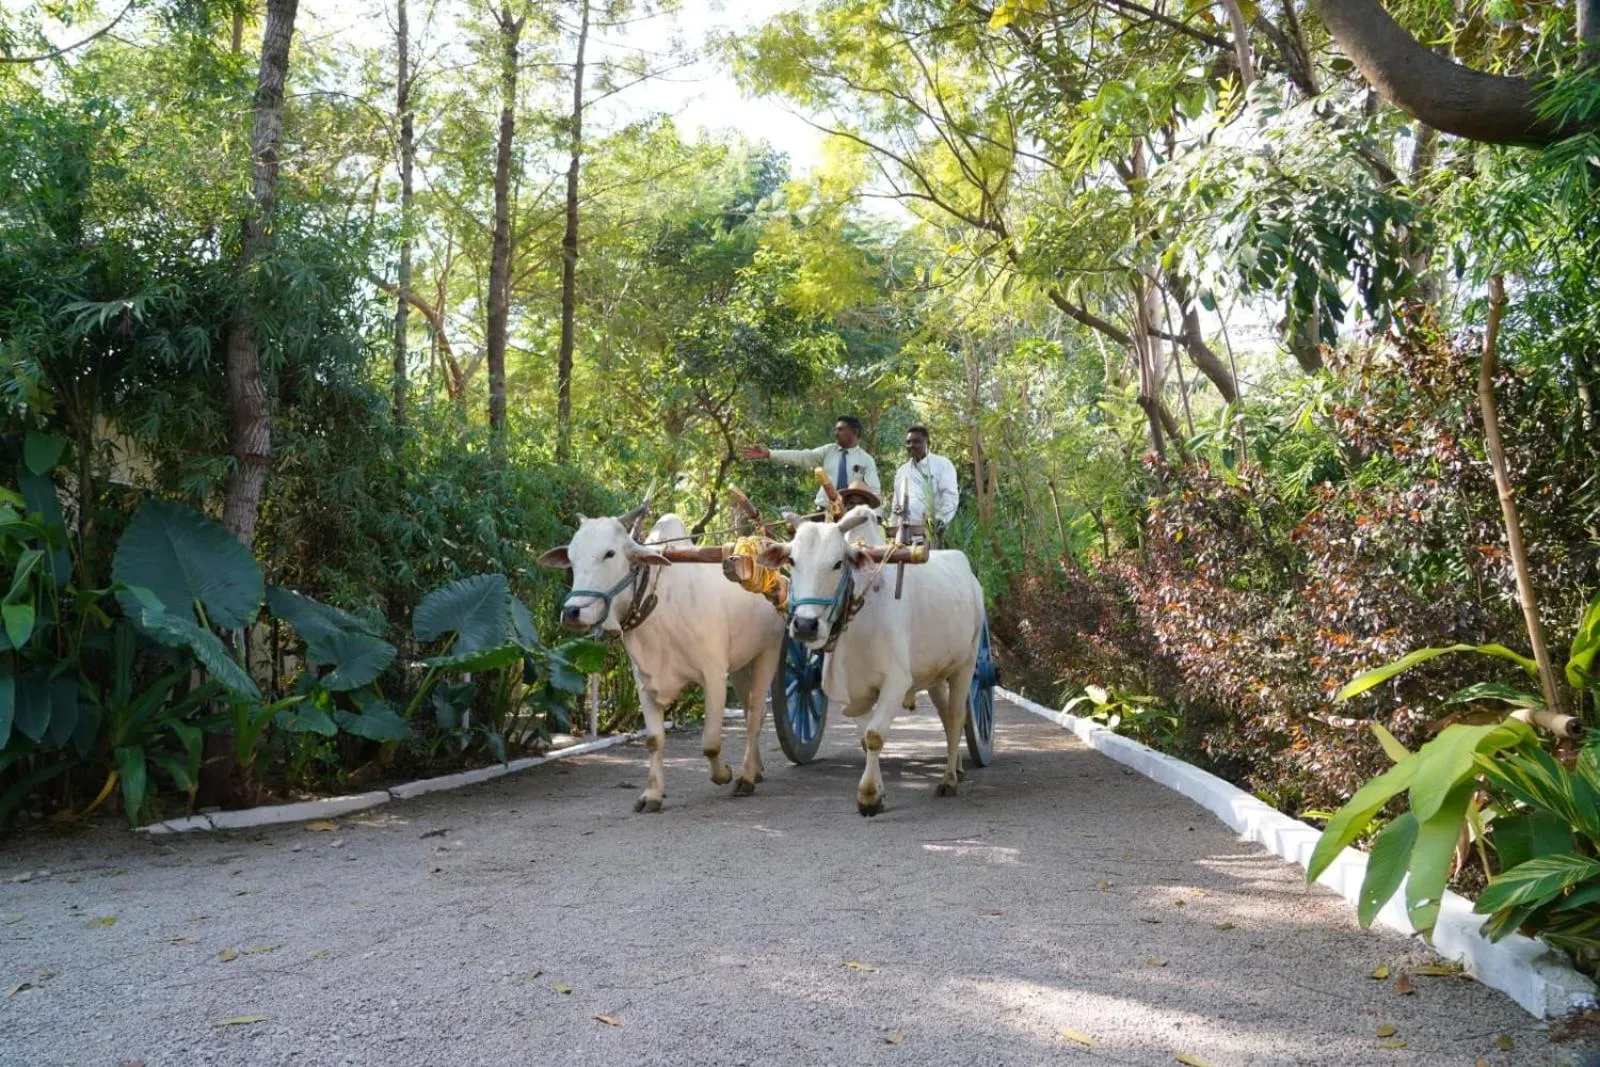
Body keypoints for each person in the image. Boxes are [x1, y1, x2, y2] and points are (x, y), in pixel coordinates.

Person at [743, 415, 882, 513]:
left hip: (850, 514)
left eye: (840, 429)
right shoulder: (828, 450)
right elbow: (801, 456)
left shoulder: (866, 460)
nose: (836, 433)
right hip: (824, 511)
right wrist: (769, 454)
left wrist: (877, 516)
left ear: (854, 432)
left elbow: (874, 491)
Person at [889, 425, 958, 546]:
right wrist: (892, 530)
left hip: (932, 535)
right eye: (908, 442)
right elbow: (896, 504)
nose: (911, 446)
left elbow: (950, 497)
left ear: (928, 443)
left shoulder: (942, 464)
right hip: (903, 536)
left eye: (916, 441)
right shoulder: (902, 470)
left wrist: (940, 521)